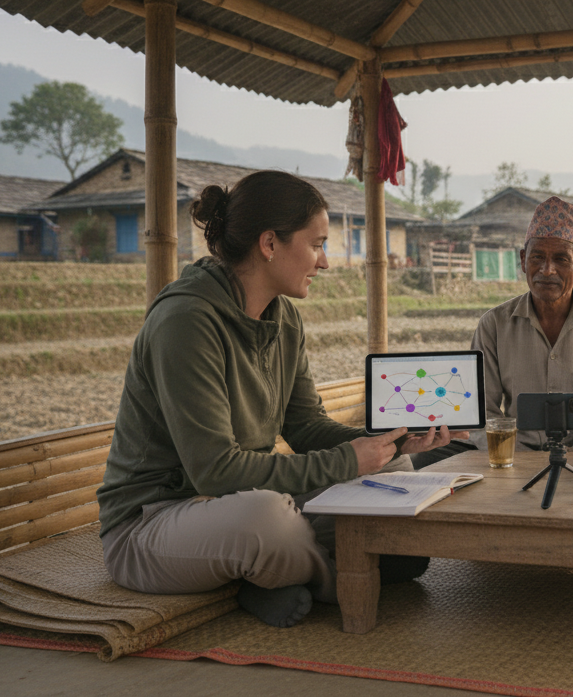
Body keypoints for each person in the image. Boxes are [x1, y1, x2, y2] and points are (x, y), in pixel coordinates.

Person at [97, 172, 461, 629]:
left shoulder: (283, 317)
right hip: (154, 522)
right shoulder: (186, 322)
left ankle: (274, 574)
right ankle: (340, 579)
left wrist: (391, 442)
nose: (325, 262)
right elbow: (214, 471)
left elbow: (306, 426)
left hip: (236, 498)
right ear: (269, 243)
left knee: (393, 470)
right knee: (267, 518)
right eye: (317, 244)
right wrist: (349, 461)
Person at [414, 196, 573, 465]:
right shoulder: (494, 325)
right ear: (522, 260)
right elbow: (483, 411)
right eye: (537, 256)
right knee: (417, 461)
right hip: (509, 455)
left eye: (561, 259)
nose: (547, 269)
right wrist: (514, 457)